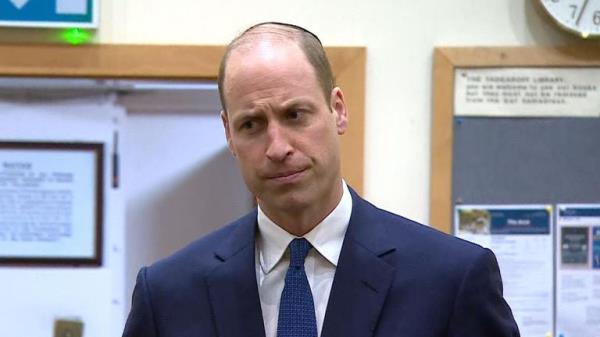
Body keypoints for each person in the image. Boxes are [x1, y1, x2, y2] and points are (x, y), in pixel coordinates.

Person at [122, 22, 520, 337]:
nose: (277, 146)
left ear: (338, 110)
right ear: (229, 134)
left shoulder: (450, 280)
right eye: (251, 124)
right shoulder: (169, 295)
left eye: (295, 115)